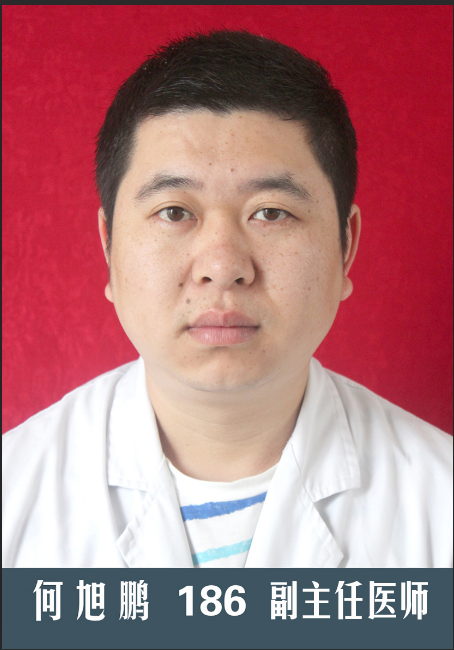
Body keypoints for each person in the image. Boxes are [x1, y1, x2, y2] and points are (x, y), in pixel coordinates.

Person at [2, 30, 452, 569]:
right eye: (174, 212)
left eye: (271, 212)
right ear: (108, 245)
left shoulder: (440, 504)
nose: (222, 266)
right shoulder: (13, 494)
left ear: (345, 246)